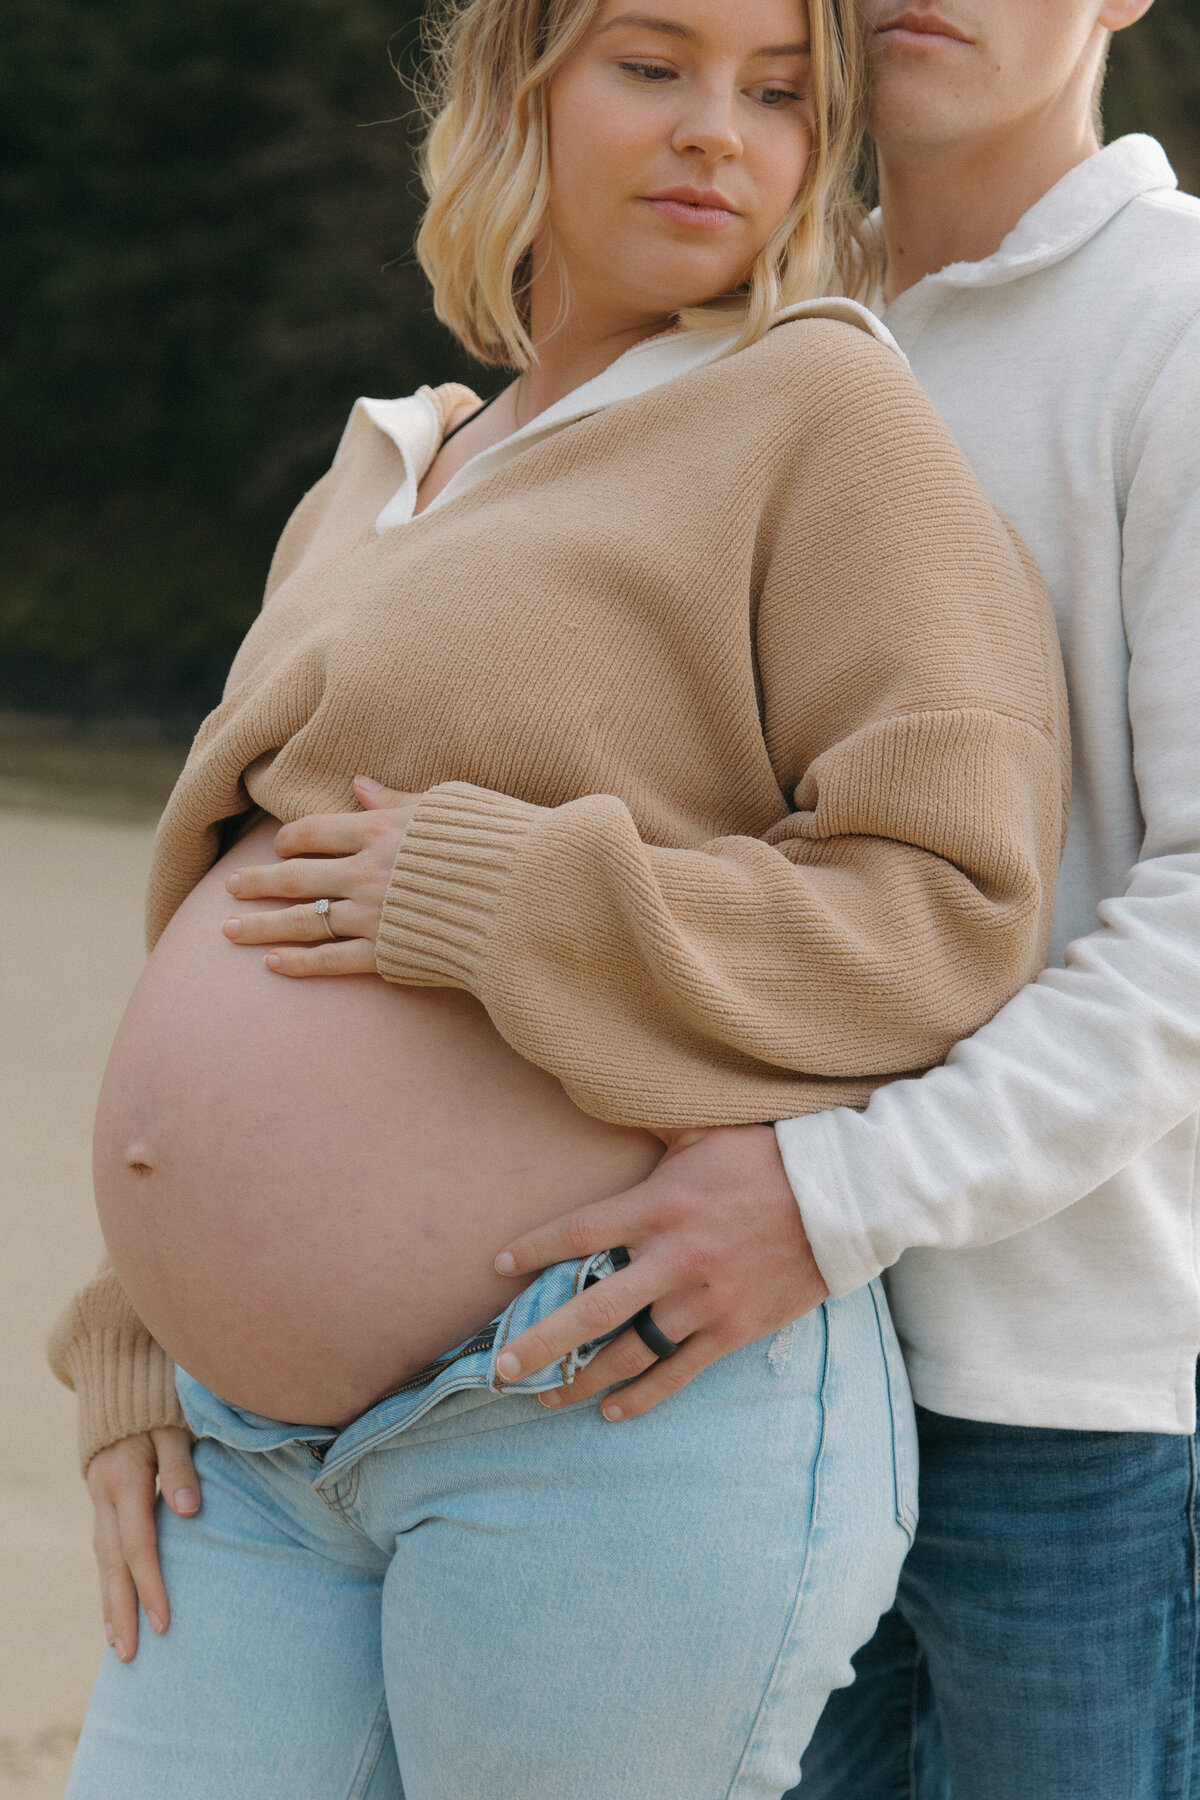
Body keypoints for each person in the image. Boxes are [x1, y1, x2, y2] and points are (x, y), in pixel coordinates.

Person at [50, 1, 1069, 1795]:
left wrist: (510, 892)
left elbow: (952, 906)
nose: (715, 135)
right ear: (519, 85)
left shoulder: (820, 412)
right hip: (245, 1457)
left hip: (594, 1409)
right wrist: (145, 1321)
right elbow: (236, 909)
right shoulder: (387, 463)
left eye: (776, 97)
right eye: (653, 67)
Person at [468, 1, 1199, 1794]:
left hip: (1065, 1404)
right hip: (727, 1383)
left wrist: (835, 1193)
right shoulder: (741, 320)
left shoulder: (1174, 323)